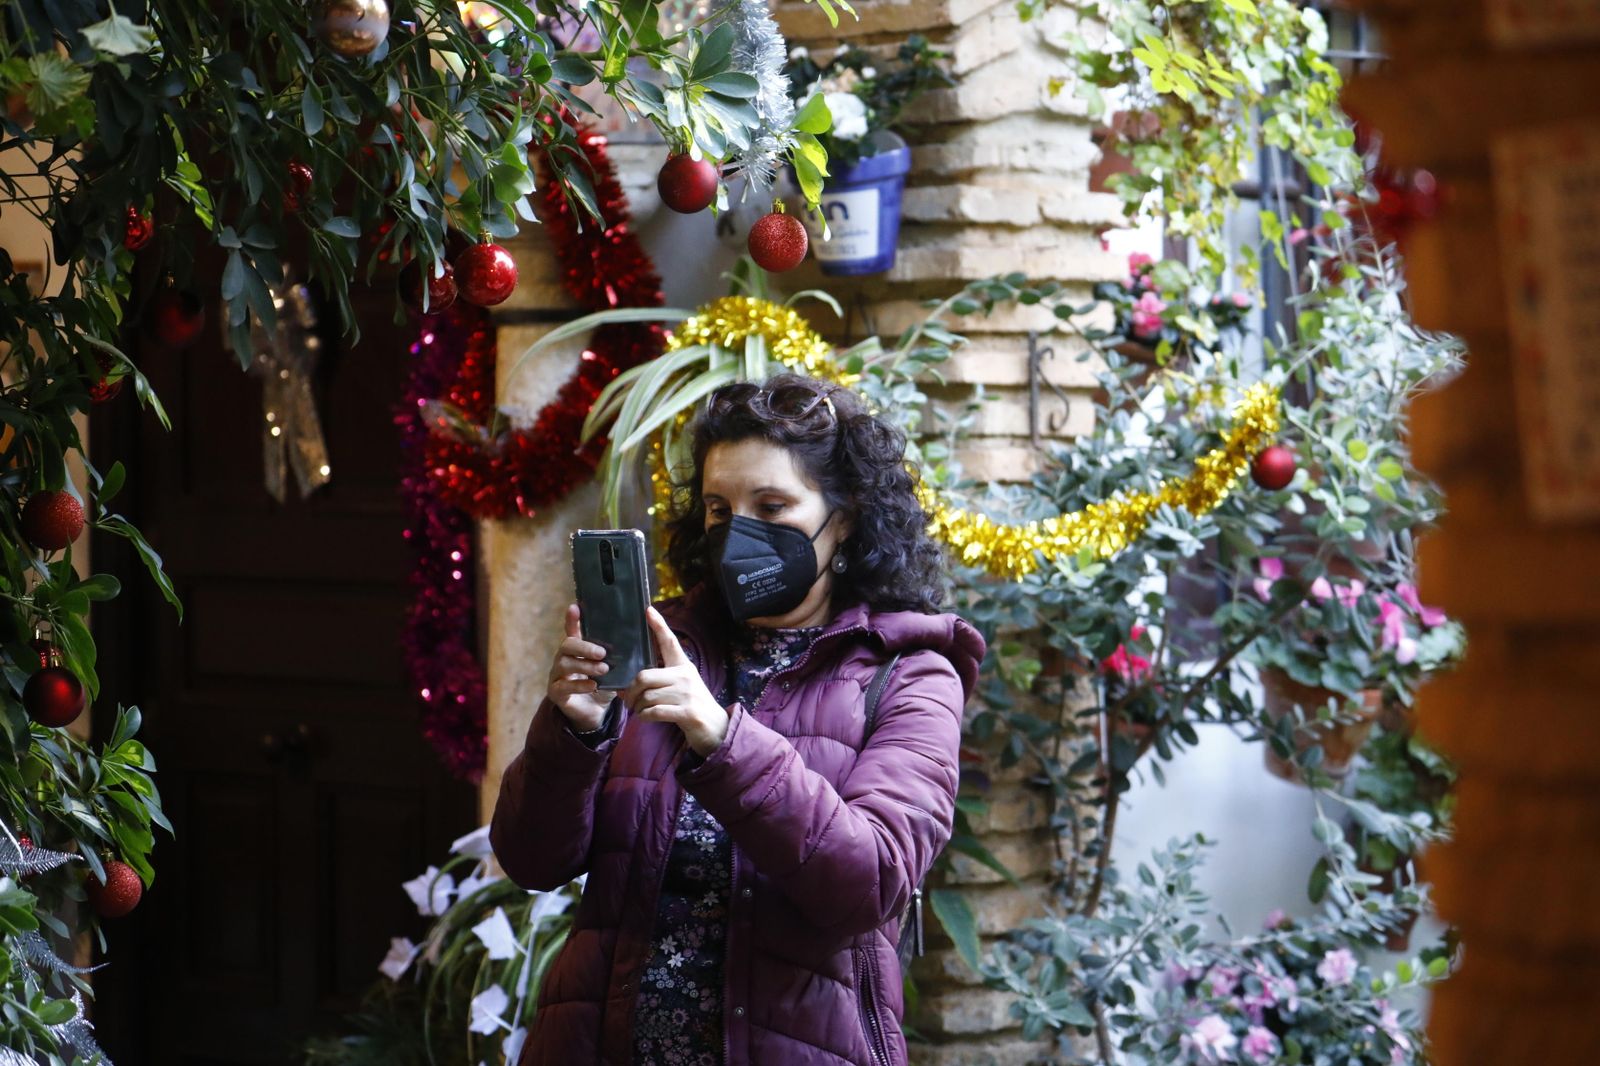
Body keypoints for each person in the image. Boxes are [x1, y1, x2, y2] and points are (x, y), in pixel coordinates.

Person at [490, 372, 985, 1066]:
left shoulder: (909, 675)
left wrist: (723, 740)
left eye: (773, 505)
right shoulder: (666, 646)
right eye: (720, 509)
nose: (739, 532)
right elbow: (531, 859)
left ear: (842, 518)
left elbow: (867, 884)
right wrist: (572, 733)